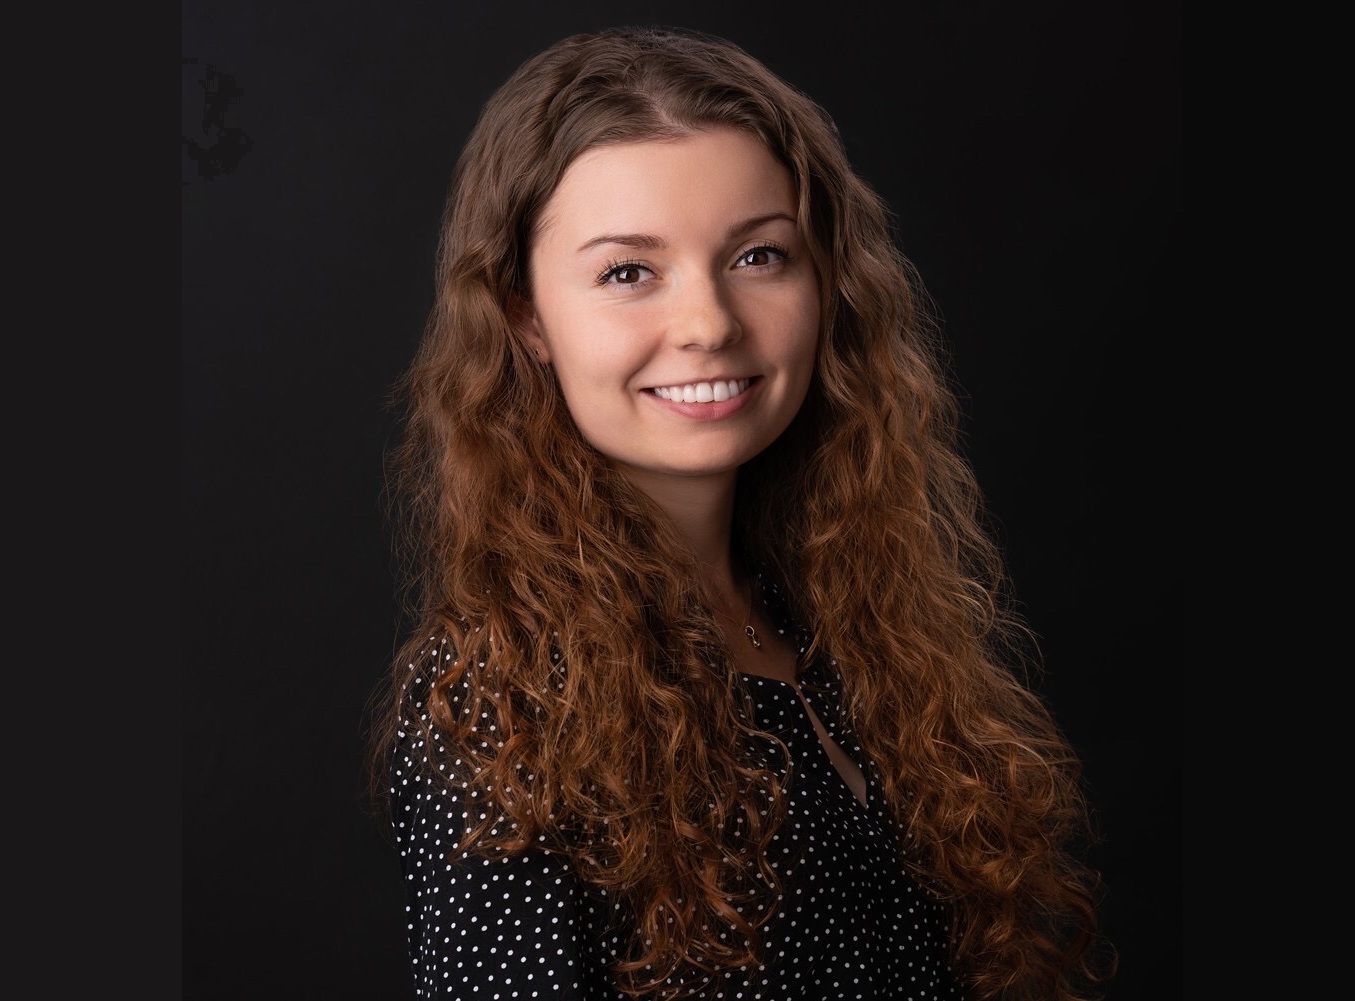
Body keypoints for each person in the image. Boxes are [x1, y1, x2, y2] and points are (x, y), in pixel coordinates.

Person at [365, 24, 1117, 1001]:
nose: (709, 323)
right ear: (525, 315)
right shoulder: (501, 700)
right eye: (628, 272)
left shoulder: (842, 626)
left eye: (758, 255)